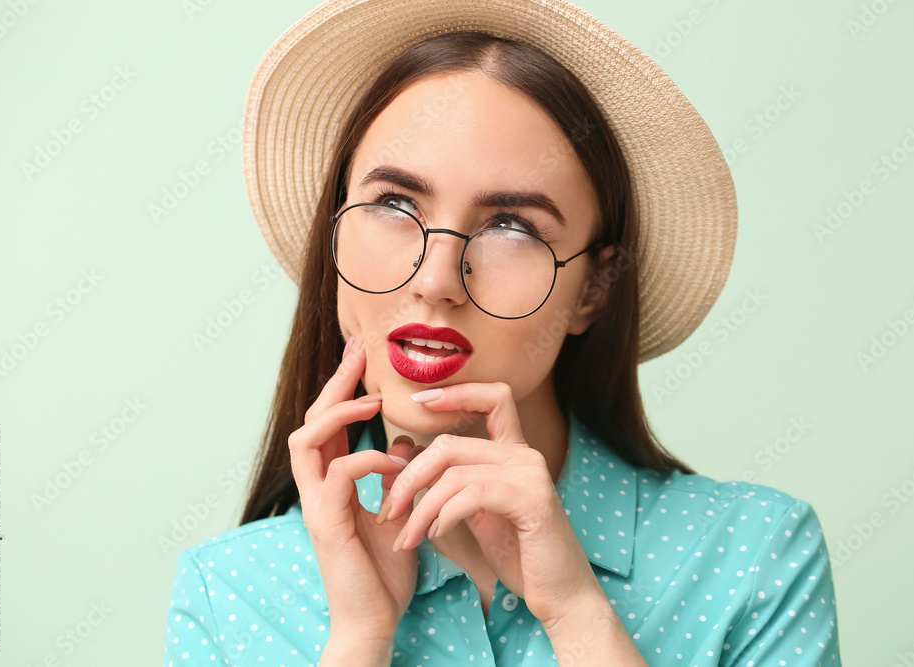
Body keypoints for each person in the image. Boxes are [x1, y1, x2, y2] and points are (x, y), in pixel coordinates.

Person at [163, 0, 841, 664]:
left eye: (512, 226)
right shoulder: (228, 593)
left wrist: (578, 615)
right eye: (394, 204)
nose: (436, 278)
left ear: (594, 289)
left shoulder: (755, 556)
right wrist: (359, 640)